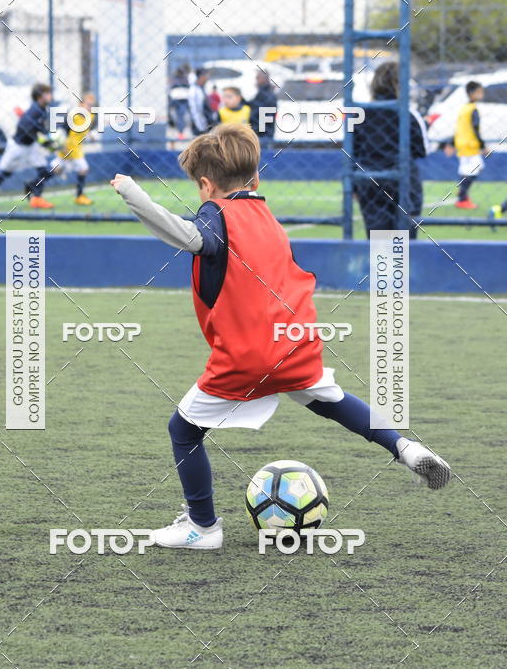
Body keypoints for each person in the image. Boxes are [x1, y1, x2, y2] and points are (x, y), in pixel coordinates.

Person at [109, 124, 451, 550]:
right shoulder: (267, 217)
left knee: (184, 430)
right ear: (256, 180)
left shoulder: (216, 214)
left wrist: (132, 194)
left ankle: (203, 527)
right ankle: (404, 447)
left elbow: (189, 237)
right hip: (295, 343)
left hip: (248, 355)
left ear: (204, 185)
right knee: (332, 402)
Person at [353, 61, 429, 239]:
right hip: (403, 179)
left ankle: (383, 266)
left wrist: (355, 186)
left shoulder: (360, 115)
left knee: (378, 239)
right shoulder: (408, 114)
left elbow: (352, 152)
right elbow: (421, 149)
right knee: (405, 237)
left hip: (369, 178)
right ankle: (399, 266)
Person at [0, 82, 55, 210]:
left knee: (44, 171)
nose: (51, 96)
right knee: (6, 173)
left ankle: (36, 198)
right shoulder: (34, 111)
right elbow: (24, 128)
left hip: (31, 146)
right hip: (18, 146)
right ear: (40, 96)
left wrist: (49, 140)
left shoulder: (42, 110)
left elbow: (39, 129)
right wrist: (43, 141)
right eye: (48, 94)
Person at [51, 92, 96, 206]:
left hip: (77, 147)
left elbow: (86, 127)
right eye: (88, 105)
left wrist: (90, 135)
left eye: (92, 105)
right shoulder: (72, 116)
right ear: (80, 104)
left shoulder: (90, 116)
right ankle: (79, 196)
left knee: (57, 169)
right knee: (84, 168)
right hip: (68, 147)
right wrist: (63, 147)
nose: (90, 107)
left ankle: (34, 184)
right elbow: (61, 132)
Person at [453, 80, 488, 210]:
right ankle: (462, 196)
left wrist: (452, 143)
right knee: (475, 169)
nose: (482, 94)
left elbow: (458, 128)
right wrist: (483, 146)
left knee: (466, 170)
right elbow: (475, 129)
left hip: (462, 144)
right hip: (470, 145)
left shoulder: (464, 108)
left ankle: (463, 191)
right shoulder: (473, 109)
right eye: (479, 91)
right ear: (471, 93)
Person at [249, 69, 278, 141]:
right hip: (264, 133)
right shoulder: (264, 93)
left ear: (263, 79)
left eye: (257, 77)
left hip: (263, 135)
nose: (256, 79)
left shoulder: (265, 94)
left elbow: (257, 113)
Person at [187, 68, 214, 136]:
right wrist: (202, 128)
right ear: (201, 77)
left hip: (206, 125)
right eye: (206, 76)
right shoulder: (194, 91)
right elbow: (195, 111)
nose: (207, 78)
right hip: (200, 128)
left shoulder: (201, 88)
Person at [168, 65, 190, 139]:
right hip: (181, 99)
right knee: (180, 116)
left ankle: (180, 132)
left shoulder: (175, 79)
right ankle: (180, 132)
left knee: (180, 116)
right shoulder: (184, 79)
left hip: (178, 99)